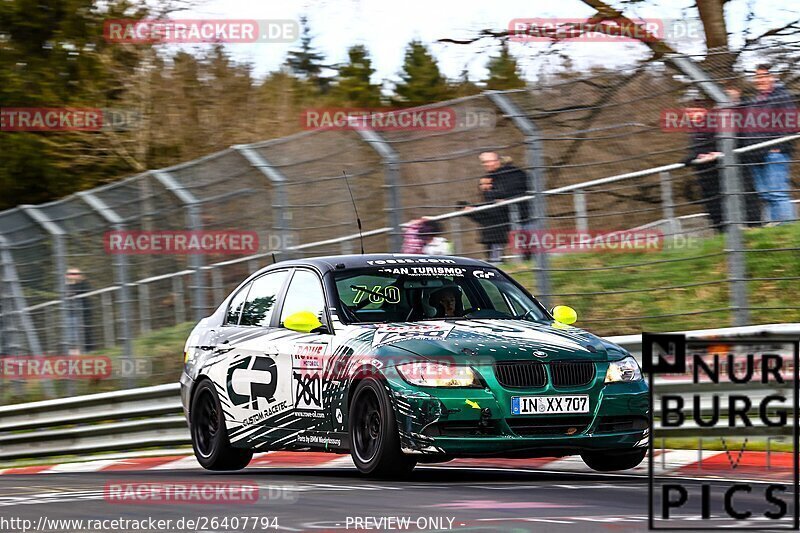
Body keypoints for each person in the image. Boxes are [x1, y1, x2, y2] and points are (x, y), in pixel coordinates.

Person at [747, 64, 797, 224]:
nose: (760, 80)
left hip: (774, 153)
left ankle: (786, 231)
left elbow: (792, 123)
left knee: (778, 193)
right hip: (755, 154)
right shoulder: (755, 101)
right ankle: (775, 231)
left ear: (772, 77)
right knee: (766, 195)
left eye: (763, 76)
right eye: (757, 77)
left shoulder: (782, 97)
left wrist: (778, 147)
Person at [724, 81, 763, 227]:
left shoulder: (748, 107)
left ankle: (755, 224)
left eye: (731, 88)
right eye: (726, 89)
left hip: (747, 154)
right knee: (735, 192)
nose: (728, 92)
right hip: (731, 156)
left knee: (750, 191)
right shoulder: (722, 109)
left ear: (738, 90)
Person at [479, 152, 532, 259]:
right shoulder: (489, 178)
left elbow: (507, 192)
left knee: (526, 247)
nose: (486, 164)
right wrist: (486, 190)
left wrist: (490, 192)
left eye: (488, 161)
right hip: (503, 218)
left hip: (521, 214)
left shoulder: (512, 174)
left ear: (498, 161)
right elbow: (490, 199)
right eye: (483, 162)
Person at [682, 100, 724, 231]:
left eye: (694, 111)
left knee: (719, 203)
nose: (691, 115)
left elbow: (711, 145)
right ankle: (721, 232)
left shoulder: (712, 124)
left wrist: (690, 158)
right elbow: (696, 151)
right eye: (688, 112)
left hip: (715, 171)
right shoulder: (696, 129)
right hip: (704, 173)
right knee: (711, 205)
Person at [461, 176, 509, 263]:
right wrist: (470, 212)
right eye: (482, 184)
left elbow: (491, 213)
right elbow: (483, 218)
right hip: (488, 234)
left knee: (496, 260)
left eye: (488, 183)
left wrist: (473, 209)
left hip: (497, 234)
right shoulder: (484, 198)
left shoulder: (497, 196)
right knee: (491, 259)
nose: (485, 186)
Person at [65, 268, 94, 353]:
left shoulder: (83, 283)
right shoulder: (66, 285)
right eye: (71, 274)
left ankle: (87, 349)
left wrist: (74, 290)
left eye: (76, 274)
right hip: (70, 312)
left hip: (84, 310)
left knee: (85, 329)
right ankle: (73, 350)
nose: (73, 276)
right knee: (71, 332)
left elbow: (83, 291)